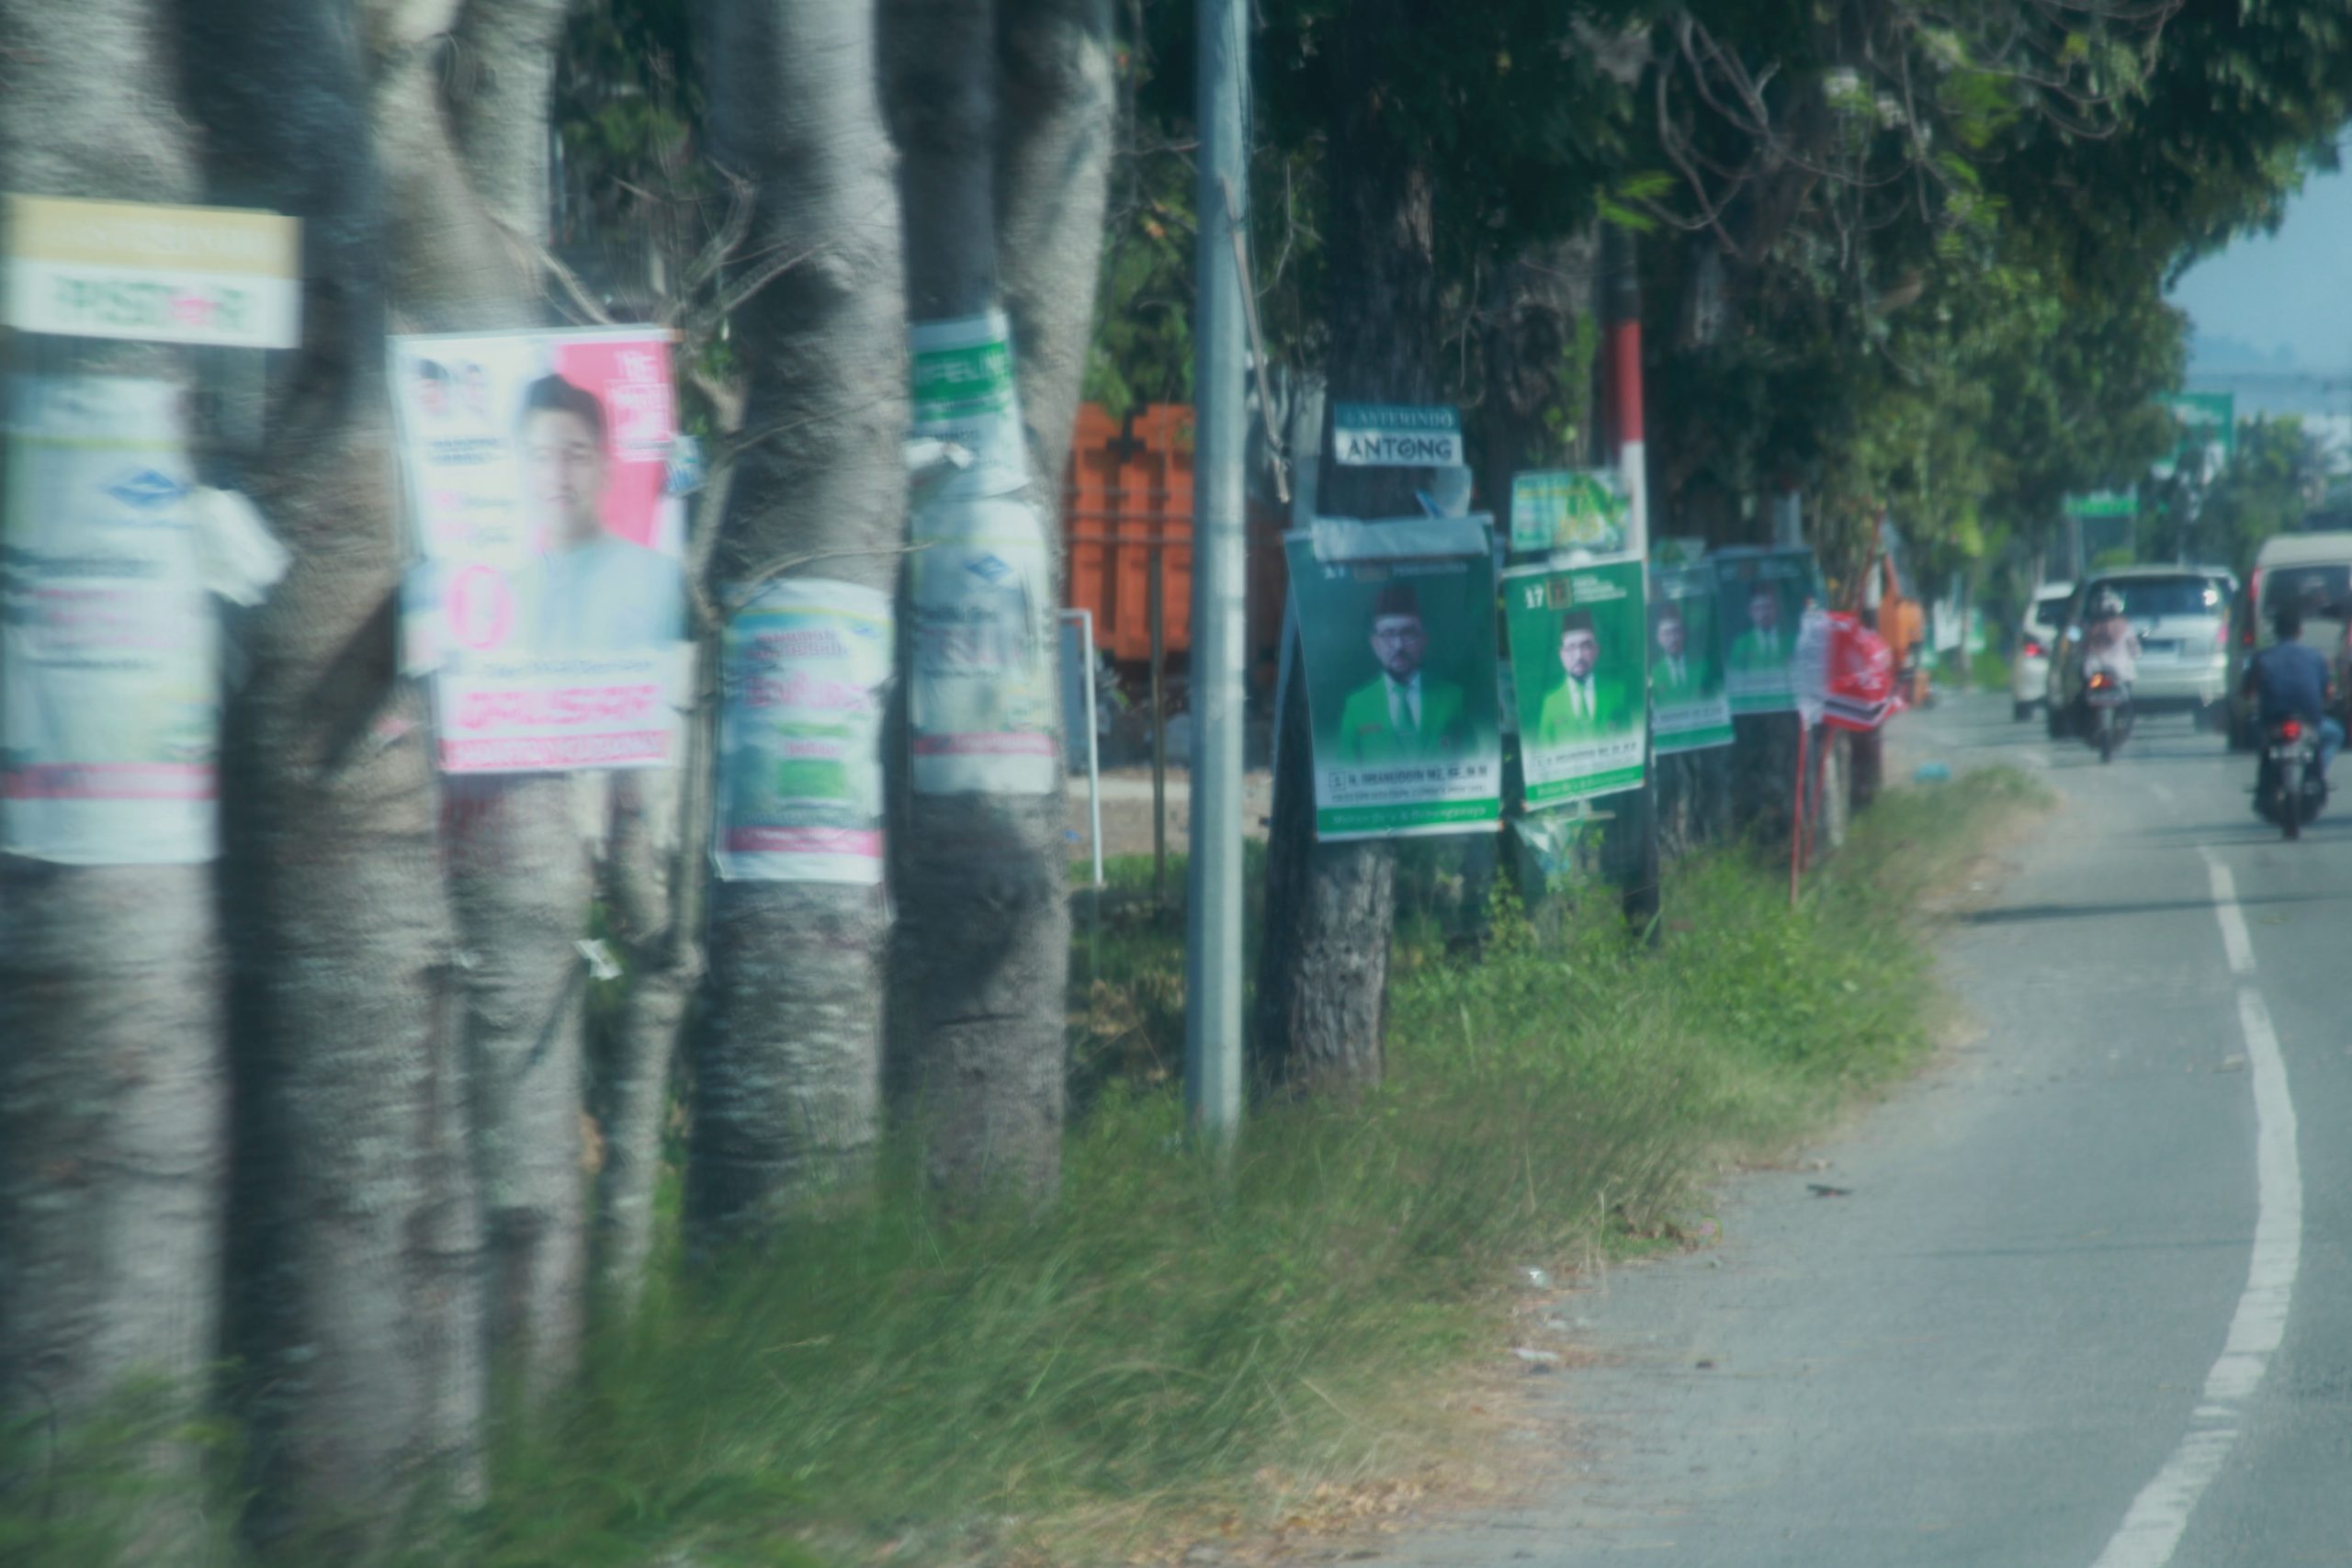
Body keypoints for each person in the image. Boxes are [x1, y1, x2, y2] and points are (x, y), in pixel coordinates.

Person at [514, 372, 686, 657]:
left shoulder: (660, 580)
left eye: (576, 455)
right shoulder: (509, 592)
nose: (558, 476)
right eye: (541, 456)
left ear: (605, 468)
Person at [1336, 581, 1466, 763]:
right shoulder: (1357, 704)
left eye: (1409, 633)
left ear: (1424, 640)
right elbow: (1345, 766)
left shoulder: (1453, 697)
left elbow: (1473, 757)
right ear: (1375, 643)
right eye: (1388, 634)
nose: (1398, 646)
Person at [2243, 603, 2342, 777]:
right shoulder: (2315, 657)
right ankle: (2316, 774)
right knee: (2335, 734)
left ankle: (2266, 781)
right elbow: (2328, 692)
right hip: (2310, 720)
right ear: (2300, 631)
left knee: (2260, 741)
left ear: (2275, 631)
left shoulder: (2262, 658)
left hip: (2272, 722)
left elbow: (2247, 691)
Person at [1536, 610, 1633, 745]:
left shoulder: (1617, 692)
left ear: (1596, 650)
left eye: (1585, 646)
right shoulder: (1550, 702)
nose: (1578, 656)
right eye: (1571, 647)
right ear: (1561, 654)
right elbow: (1544, 752)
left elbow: (1631, 740)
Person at [2080, 588, 2140, 684]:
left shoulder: (2088, 627)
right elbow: (2135, 649)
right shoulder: (2126, 626)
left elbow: (2080, 645)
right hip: (2121, 671)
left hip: (2094, 670)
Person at [1649, 603, 1702, 705]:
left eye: (1676, 631)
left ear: (1684, 634)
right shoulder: (1653, 672)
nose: (1673, 639)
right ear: (1659, 638)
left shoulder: (1702, 666)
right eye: (1667, 633)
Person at [1728, 584, 1788, 672]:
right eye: (1758, 608)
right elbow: (1734, 674)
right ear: (1750, 612)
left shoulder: (1791, 639)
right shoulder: (1741, 643)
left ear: (1777, 609)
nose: (1764, 613)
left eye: (1768, 607)